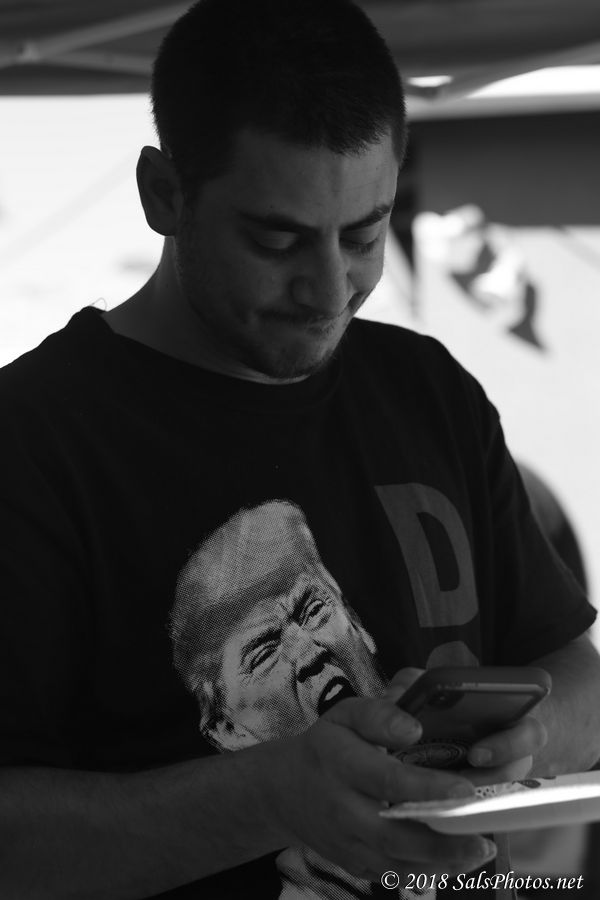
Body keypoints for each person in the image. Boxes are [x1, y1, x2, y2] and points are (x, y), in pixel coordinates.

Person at [0, 1, 598, 899]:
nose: (328, 291)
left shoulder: (427, 389)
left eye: (365, 236)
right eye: (275, 240)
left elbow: (579, 678)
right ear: (164, 194)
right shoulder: (33, 440)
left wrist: (529, 737)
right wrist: (270, 798)